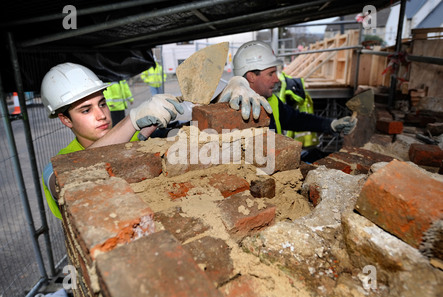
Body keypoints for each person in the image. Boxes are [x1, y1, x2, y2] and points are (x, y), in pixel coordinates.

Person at [41, 62, 184, 219]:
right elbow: (65, 183)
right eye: (86, 110)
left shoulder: (131, 138)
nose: (101, 115)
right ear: (66, 120)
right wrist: (132, 120)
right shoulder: (55, 166)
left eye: (102, 104)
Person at [217, 40, 357, 147]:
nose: (277, 79)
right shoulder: (231, 107)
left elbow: (297, 119)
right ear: (252, 76)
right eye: (271, 73)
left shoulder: (271, 100)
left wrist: (331, 124)